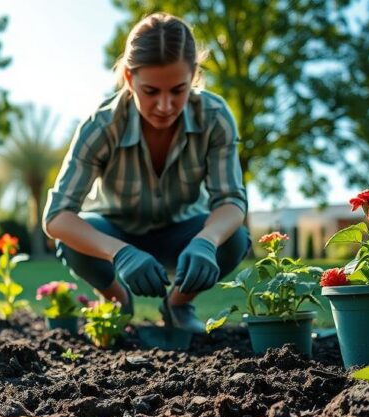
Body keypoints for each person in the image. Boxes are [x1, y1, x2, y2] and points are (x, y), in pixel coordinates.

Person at [42, 13, 250, 334]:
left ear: (193, 75)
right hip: (115, 232)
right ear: (128, 77)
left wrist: (206, 241)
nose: (165, 105)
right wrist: (119, 252)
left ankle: (178, 305)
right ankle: (117, 300)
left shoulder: (215, 117)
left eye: (178, 90)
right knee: (71, 240)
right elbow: (56, 217)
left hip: (183, 234)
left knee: (234, 239)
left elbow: (232, 201)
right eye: (151, 91)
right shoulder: (101, 127)